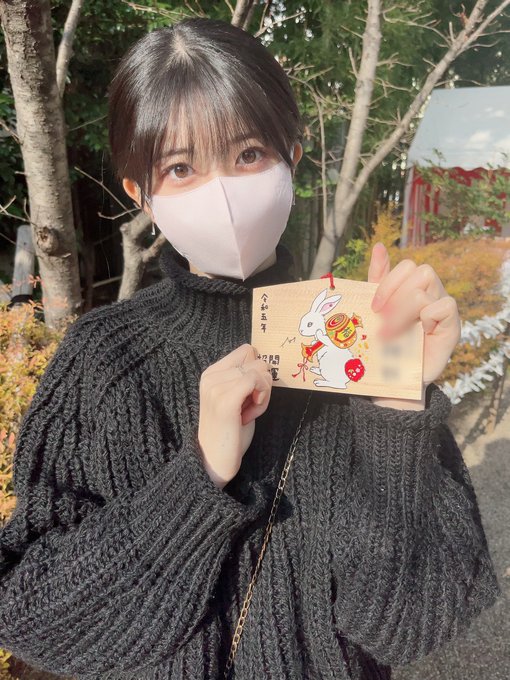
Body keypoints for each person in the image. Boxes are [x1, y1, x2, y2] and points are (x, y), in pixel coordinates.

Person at [0, 16, 500, 680]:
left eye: (248, 154)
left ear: (292, 155)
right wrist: (199, 475)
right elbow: (31, 611)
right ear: (139, 191)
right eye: (181, 167)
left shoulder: (358, 339)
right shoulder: (105, 360)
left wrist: (395, 405)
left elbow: (410, 624)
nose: (224, 193)